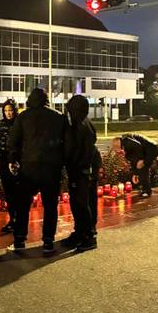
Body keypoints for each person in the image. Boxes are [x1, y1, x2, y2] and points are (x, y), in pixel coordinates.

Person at [7, 87, 66, 255]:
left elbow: (14, 141)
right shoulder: (58, 117)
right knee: (50, 206)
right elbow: (64, 142)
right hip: (51, 167)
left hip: (29, 167)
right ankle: (48, 241)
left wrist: (13, 160)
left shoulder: (24, 116)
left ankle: (19, 240)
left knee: (23, 205)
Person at [62, 94, 98, 252]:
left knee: (81, 204)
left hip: (80, 170)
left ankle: (88, 236)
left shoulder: (81, 125)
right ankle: (80, 232)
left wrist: (73, 164)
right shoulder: (84, 122)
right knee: (78, 203)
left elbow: (81, 150)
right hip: (80, 169)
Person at [0, 99, 19, 233]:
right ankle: (12, 219)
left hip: (16, 161)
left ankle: (18, 219)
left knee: (16, 192)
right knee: (8, 192)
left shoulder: (19, 123)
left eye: (11, 110)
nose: (8, 113)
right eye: (6, 111)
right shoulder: (0, 124)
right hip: (3, 160)